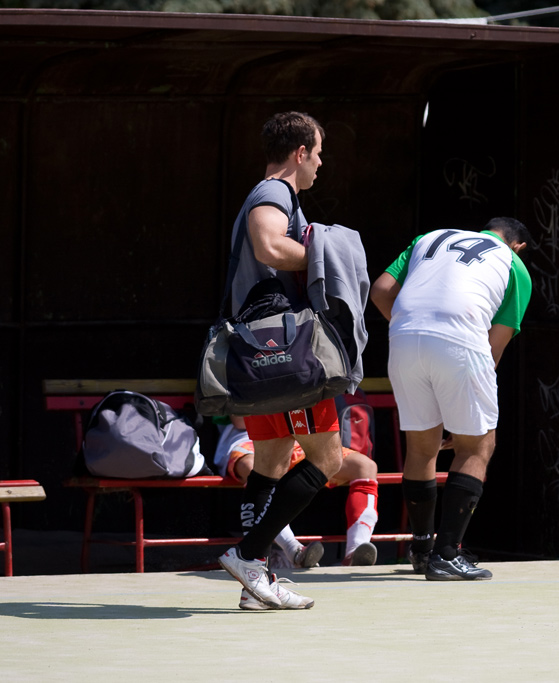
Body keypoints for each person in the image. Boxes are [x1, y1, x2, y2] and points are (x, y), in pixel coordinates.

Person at [217, 111, 360, 610]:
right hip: (285, 351)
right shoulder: (274, 192)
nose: (320, 163)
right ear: (300, 153)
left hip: (262, 354)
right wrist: (332, 257)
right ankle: (248, 555)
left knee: (274, 461)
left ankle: (255, 585)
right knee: (328, 459)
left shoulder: (272, 194)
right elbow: (269, 244)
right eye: (318, 153)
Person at [369, 218, 533, 580]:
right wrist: (462, 412)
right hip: (461, 341)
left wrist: (414, 326)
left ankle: (421, 550)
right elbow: (493, 348)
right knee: (476, 446)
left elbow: (380, 290)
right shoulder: (513, 263)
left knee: (421, 448)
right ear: (518, 245)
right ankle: (446, 554)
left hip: (404, 337)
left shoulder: (428, 237)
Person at [214, 413, 380, 570]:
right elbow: (239, 420)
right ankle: (294, 551)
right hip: (249, 440)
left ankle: (356, 550)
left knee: (365, 466)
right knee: (252, 468)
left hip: (302, 438)